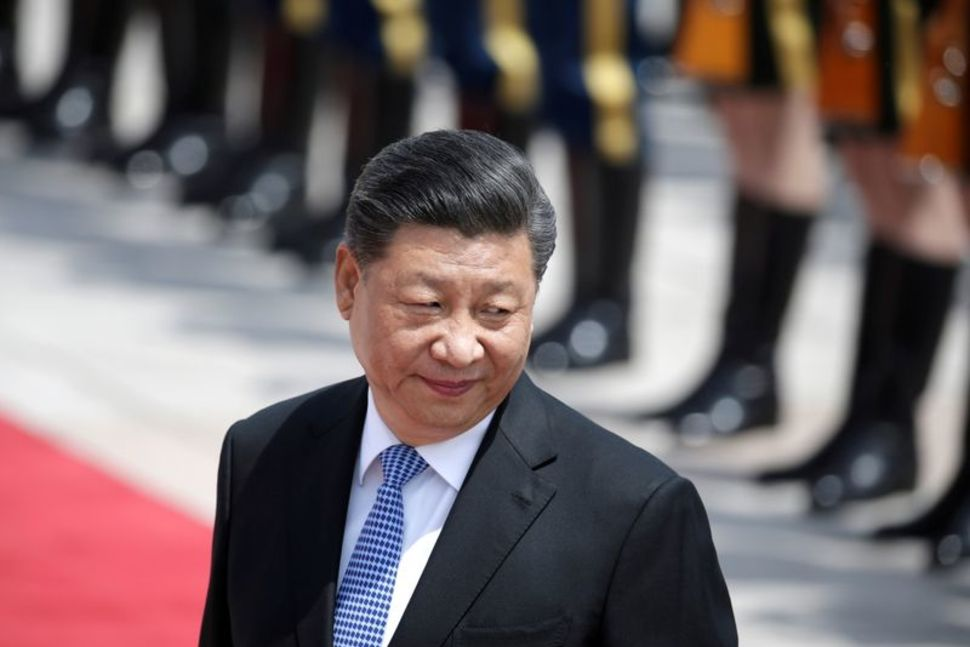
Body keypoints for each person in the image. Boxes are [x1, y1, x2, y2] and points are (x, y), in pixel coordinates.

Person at [198, 130, 736, 646]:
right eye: (427, 305)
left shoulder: (632, 513)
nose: (460, 348)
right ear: (348, 284)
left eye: (496, 312)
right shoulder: (263, 454)